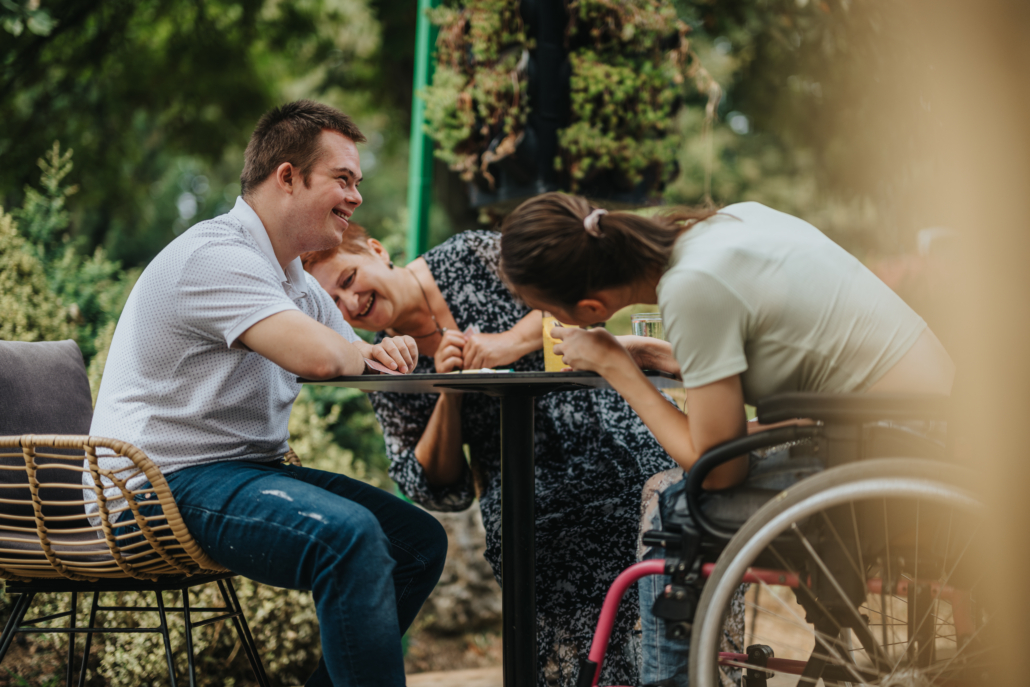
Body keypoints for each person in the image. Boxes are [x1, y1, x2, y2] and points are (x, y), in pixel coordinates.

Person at [497, 192, 955, 686]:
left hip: (890, 447)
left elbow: (717, 469)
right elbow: (758, 350)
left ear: (592, 308)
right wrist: (650, 352)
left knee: (675, 505)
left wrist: (617, 368)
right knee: (671, 488)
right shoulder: (728, 223)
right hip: (923, 424)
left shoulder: (692, 286)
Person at [86, 100, 447, 687]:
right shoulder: (215, 256)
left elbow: (356, 354)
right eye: (343, 179)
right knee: (348, 538)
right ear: (287, 176)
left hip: (237, 472)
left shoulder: (292, 280)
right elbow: (324, 357)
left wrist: (384, 350)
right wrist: (358, 351)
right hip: (152, 485)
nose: (356, 197)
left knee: (416, 541)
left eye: (357, 182)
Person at [302, 225, 680, 687]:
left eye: (348, 279)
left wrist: (508, 343)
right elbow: (431, 484)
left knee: (656, 515)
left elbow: (570, 289)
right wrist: (451, 394)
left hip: (613, 439)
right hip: (528, 494)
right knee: (537, 551)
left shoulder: (470, 252)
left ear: (377, 251)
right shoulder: (381, 359)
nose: (351, 302)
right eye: (333, 304)